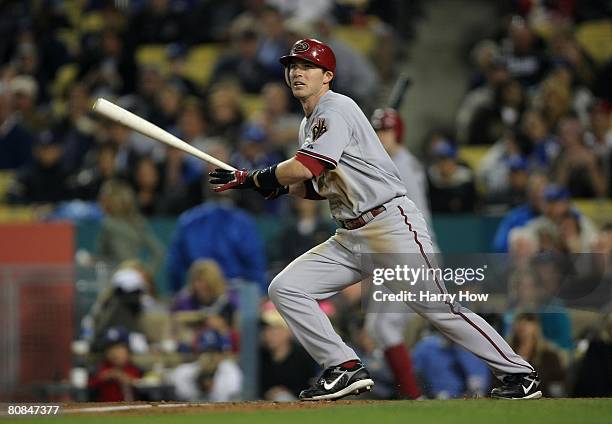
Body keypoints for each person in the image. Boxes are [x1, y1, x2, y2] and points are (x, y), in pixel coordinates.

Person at [208, 38, 541, 400]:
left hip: (390, 226)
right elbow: (321, 187)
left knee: (439, 308)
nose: (297, 72)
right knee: (286, 289)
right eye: (292, 66)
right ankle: (343, 366)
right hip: (350, 235)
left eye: (307, 66)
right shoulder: (310, 126)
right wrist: (274, 187)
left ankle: (520, 374)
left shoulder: (336, 109)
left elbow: (308, 166)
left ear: (327, 76)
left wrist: (253, 178)